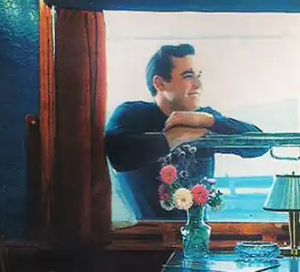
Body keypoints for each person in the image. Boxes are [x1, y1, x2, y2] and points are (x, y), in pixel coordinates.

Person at [104, 44, 269, 220]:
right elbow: (117, 157)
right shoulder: (132, 114)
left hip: (198, 232)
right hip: (143, 233)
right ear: (159, 83)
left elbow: (261, 144)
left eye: (199, 76)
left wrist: (207, 121)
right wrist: (174, 138)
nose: (198, 85)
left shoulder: (205, 119)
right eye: (188, 76)